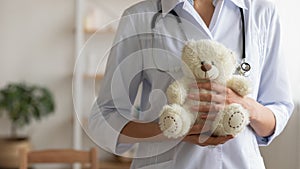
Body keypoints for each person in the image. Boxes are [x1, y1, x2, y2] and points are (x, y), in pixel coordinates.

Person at [88, 0, 294, 168]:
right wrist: (172, 130)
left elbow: (278, 109)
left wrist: (245, 106)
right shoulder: (140, 17)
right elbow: (104, 117)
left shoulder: (261, 12)